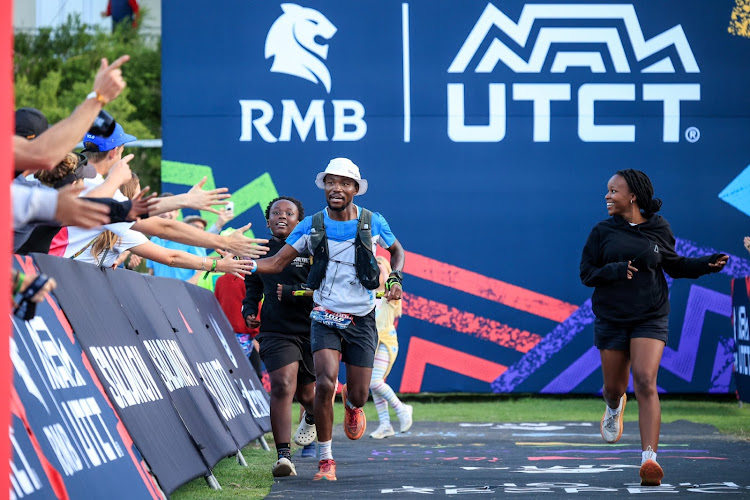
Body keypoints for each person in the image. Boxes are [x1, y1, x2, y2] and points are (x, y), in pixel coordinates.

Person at [246, 158, 405, 481]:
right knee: (324, 383)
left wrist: (394, 278)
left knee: (359, 393)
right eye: (331, 182)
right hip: (324, 316)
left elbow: (397, 251)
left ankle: (353, 404)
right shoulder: (311, 225)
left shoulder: (373, 221)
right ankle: (325, 460)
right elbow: (275, 263)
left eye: (345, 183)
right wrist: (238, 264)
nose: (337, 188)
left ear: (355, 189)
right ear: (325, 186)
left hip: (361, 318)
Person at [580, 169, 728, 487]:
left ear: (632, 195)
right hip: (612, 318)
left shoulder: (659, 228)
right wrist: (617, 270)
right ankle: (614, 405)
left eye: (613, 191)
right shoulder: (601, 231)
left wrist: (705, 264)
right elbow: (587, 274)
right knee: (614, 387)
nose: (607, 196)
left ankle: (650, 460)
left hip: (651, 315)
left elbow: (674, 265)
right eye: (607, 191)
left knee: (646, 380)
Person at [242, 196, 315, 478]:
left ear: (299, 221)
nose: (282, 216)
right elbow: (252, 288)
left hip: (312, 330)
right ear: (268, 221)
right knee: (283, 385)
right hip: (275, 332)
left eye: (289, 213)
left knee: (308, 394)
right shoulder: (259, 250)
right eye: (276, 213)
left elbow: (323, 284)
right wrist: (249, 309)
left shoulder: (312, 248)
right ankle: (283, 457)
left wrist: (296, 289)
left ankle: (311, 415)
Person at [368, 255, 412, 439]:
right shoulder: (366, 295)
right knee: (375, 385)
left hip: (385, 342)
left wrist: (390, 280)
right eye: (374, 269)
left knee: (374, 381)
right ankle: (385, 424)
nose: (377, 272)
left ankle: (402, 409)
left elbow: (393, 290)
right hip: (370, 343)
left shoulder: (390, 295)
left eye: (381, 268)